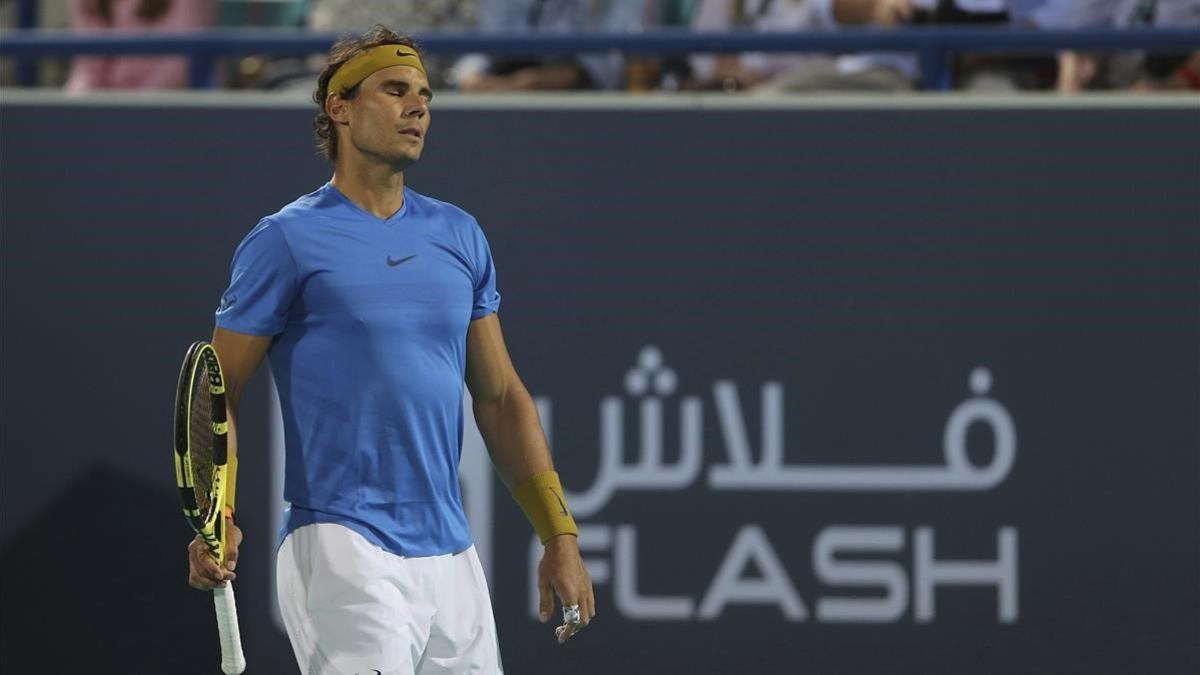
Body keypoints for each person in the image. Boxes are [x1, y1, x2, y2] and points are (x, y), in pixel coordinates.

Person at [184, 24, 595, 674]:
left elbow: (499, 396)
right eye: (395, 89)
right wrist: (220, 512)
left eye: (425, 96)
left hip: (451, 555)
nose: (418, 107)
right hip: (342, 543)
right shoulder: (284, 240)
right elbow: (217, 394)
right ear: (339, 108)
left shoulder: (460, 235)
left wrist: (559, 533)